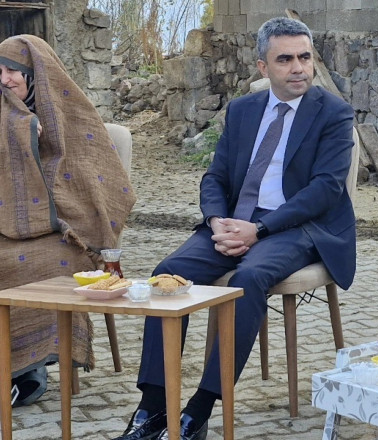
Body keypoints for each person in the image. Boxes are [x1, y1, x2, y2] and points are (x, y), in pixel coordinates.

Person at [114, 17, 356, 440]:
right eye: (285, 59)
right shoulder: (242, 110)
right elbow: (215, 177)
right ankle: (153, 406)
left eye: (305, 57)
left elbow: (325, 190)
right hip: (234, 223)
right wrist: (216, 221)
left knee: (247, 279)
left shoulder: (333, 112)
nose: (299, 67)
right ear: (263, 67)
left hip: (301, 227)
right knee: (164, 276)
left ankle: (199, 408)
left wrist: (257, 230)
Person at [0, 35, 135, 414]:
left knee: (51, 266)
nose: (6, 78)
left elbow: (97, 171)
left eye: (14, 70)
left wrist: (42, 143)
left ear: (36, 73)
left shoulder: (72, 112)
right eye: (0, 70)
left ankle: (33, 370)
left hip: (58, 229)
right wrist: (18, 136)